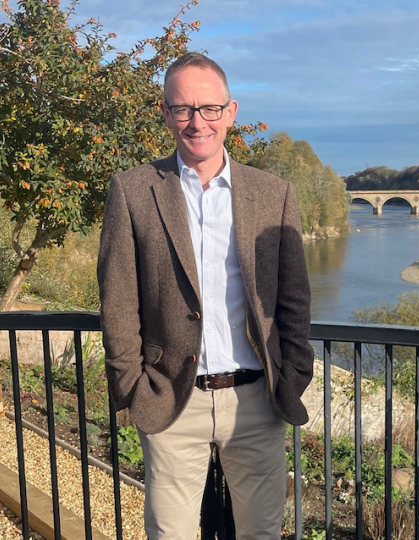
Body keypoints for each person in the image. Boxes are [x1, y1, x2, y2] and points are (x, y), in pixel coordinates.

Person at [97, 52, 314, 540]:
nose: (197, 122)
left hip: (256, 402)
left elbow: (295, 303)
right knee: (169, 534)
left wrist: (294, 374)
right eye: (183, 109)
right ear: (166, 113)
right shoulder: (133, 190)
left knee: (261, 533)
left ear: (230, 112)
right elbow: (117, 301)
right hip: (172, 399)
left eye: (209, 108)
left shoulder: (273, 193)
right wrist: (134, 383)